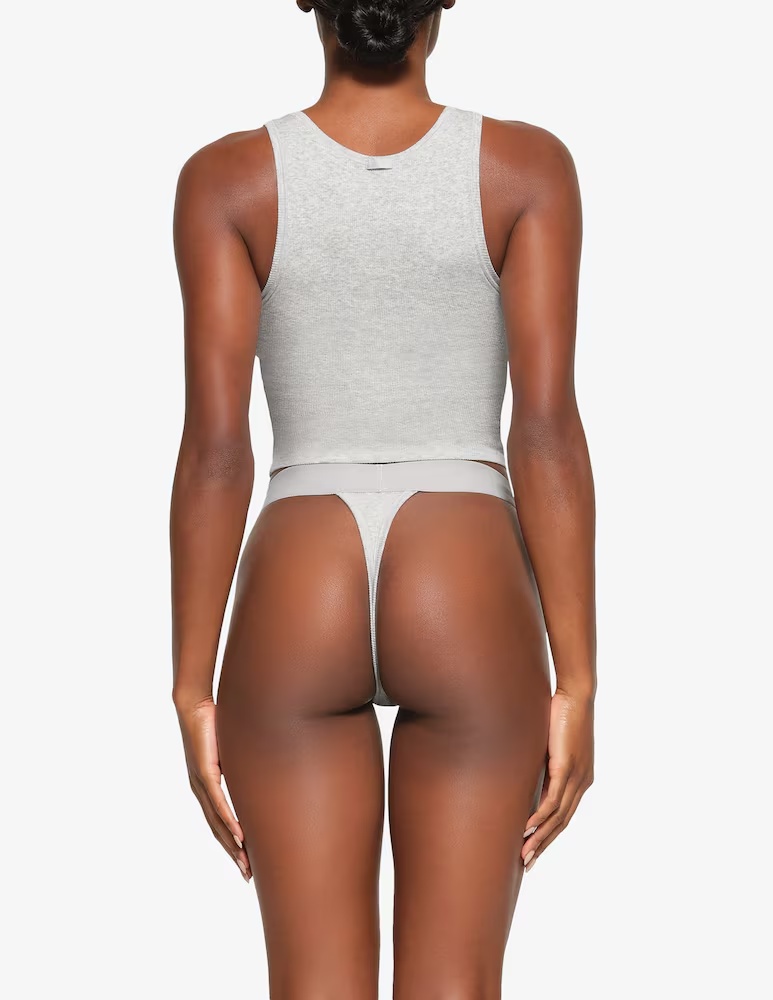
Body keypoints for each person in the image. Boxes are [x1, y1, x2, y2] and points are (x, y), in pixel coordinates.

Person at [170, 1, 596, 996]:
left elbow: (216, 453)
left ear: (305, 0)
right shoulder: (525, 169)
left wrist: (191, 688)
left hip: (298, 574)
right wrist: (575, 681)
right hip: (464, 573)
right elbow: (544, 433)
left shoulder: (225, 179)